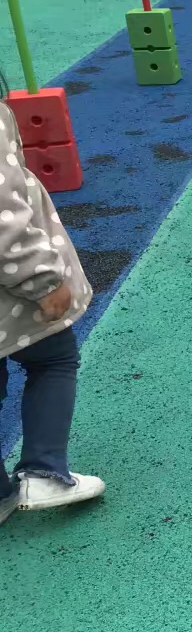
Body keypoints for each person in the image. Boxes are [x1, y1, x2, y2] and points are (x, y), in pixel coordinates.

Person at [0, 86, 101, 528]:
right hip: (11, 296)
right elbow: (4, 216)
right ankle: (43, 471)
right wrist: (41, 279)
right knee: (54, 358)